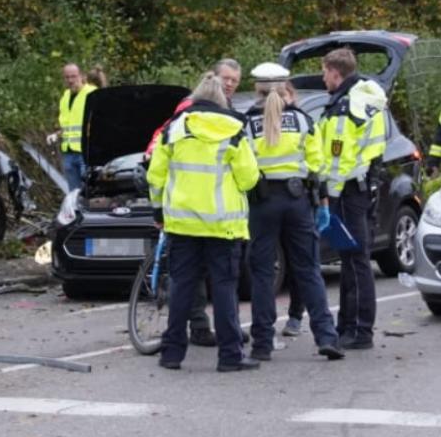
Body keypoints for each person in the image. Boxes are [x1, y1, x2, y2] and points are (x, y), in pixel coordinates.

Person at [147, 72, 260, 372]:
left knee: (182, 287)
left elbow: (155, 176)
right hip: (223, 225)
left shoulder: (174, 130)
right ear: (221, 100)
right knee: (224, 290)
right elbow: (249, 179)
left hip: (182, 223)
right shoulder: (235, 129)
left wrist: (159, 212)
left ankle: (171, 354)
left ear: (194, 99)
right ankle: (230, 356)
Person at [243, 62, 344, 361]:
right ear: (285, 87)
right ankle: (327, 337)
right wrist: (320, 198)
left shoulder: (247, 123)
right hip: (298, 200)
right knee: (308, 269)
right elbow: (318, 164)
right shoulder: (302, 120)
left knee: (262, 274)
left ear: (257, 89)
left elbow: (243, 167)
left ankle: (262, 343)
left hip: (262, 201)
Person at [318, 48, 388, 350]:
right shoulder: (365, 99)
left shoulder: (346, 107)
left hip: (346, 191)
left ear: (335, 72)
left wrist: (328, 194)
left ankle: (359, 330)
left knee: (356, 260)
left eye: (324, 73)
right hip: (360, 187)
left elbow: (338, 159)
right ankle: (348, 326)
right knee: (351, 260)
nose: (323, 79)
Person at [48, 63, 97, 191]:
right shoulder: (65, 97)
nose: (70, 80)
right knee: (74, 195)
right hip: (68, 153)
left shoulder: (92, 93)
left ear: (81, 76)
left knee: (89, 192)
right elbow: (68, 126)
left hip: (86, 153)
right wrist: (56, 134)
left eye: (73, 76)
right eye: (67, 77)